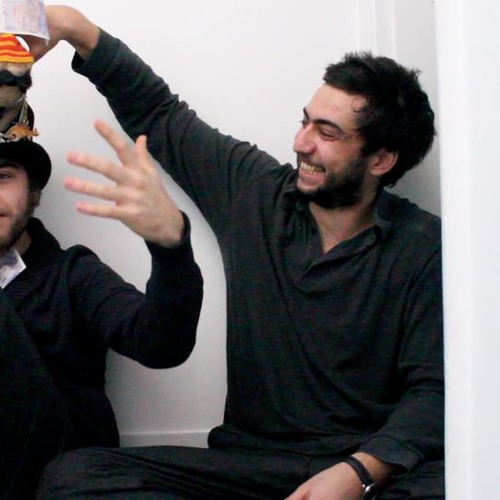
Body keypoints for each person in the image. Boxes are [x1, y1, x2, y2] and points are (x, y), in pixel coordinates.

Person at [30, 5, 443, 499]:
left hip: (358, 470)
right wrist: (74, 28)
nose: (301, 143)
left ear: (381, 159)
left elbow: (434, 391)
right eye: (305, 122)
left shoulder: (424, 247)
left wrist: (358, 472)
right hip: (248, 467)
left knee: (452, 485)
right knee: (75, 477)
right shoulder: (256, 191)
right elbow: (160, 114)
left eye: (327, 133)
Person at [0, 126, 204, 499]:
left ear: (33, 193)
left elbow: (161, 343)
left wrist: (170, 247)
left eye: (3, 177)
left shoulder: (73, 275)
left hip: (61, 482)